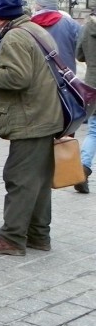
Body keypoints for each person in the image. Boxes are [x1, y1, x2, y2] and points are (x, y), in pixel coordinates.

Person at [0, 0, 63, 256]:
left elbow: (18, 78)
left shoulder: (14, 37)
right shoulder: (36, 30)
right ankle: (38, 235)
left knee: (19, 178)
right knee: (37, 180)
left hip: (30, 118)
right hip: (45, 115)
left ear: (0, 16)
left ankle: (12, 238)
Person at [31, 0, 80, 73]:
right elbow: (81, 51)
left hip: (39, 77)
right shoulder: (71, 24)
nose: (34, 6)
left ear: (41, 5)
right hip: (66, 77)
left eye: (36, 3)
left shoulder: (30, 25)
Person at [75, 11, 96, 193]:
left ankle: (82, 168)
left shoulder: (88, 27)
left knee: (93, 131)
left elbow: (79, 54)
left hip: (93, 84)